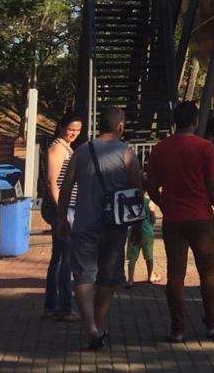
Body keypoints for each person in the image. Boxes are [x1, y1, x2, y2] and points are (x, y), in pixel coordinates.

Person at [57, 106, 142, 350]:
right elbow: (137, 189)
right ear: (120, 126)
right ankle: (95, 325)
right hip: (115, 226)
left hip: (84, 223)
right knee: (108, 277)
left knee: (83, 276)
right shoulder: (127, 152)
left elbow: (66, 186)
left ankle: (90, 326)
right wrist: (138, 223)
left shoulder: (82, 150)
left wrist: (63, 218)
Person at [145, 101, 214, 342]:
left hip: (174, 219)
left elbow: (150, 184)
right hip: (201, 217)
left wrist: (162, 203)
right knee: (207, 271)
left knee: (175, 275)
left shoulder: (159, 149)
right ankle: (212, 323)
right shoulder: (205, 148)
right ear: (195, 122)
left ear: (174, 122)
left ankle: (177, 328)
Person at [43, 112, 82, 322]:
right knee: (65, 258)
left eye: (77, 130)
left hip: (66, 208)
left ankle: (52, 304)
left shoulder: (67, 147)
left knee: (59, 257)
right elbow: (52, 182)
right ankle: (65, 307)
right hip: (61, 209)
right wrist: (62, 213)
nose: (74, 133)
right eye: (71, 129)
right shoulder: (57, 148)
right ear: (61, 127)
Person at [125, 194, 159, 287]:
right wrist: (151, 224)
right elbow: (153, 218)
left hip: (134, 232)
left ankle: (130, 279)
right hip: (147, 232)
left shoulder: (132, 200)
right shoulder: (149, 202)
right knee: (149, 256)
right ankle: (150, 276)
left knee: (132, 257)